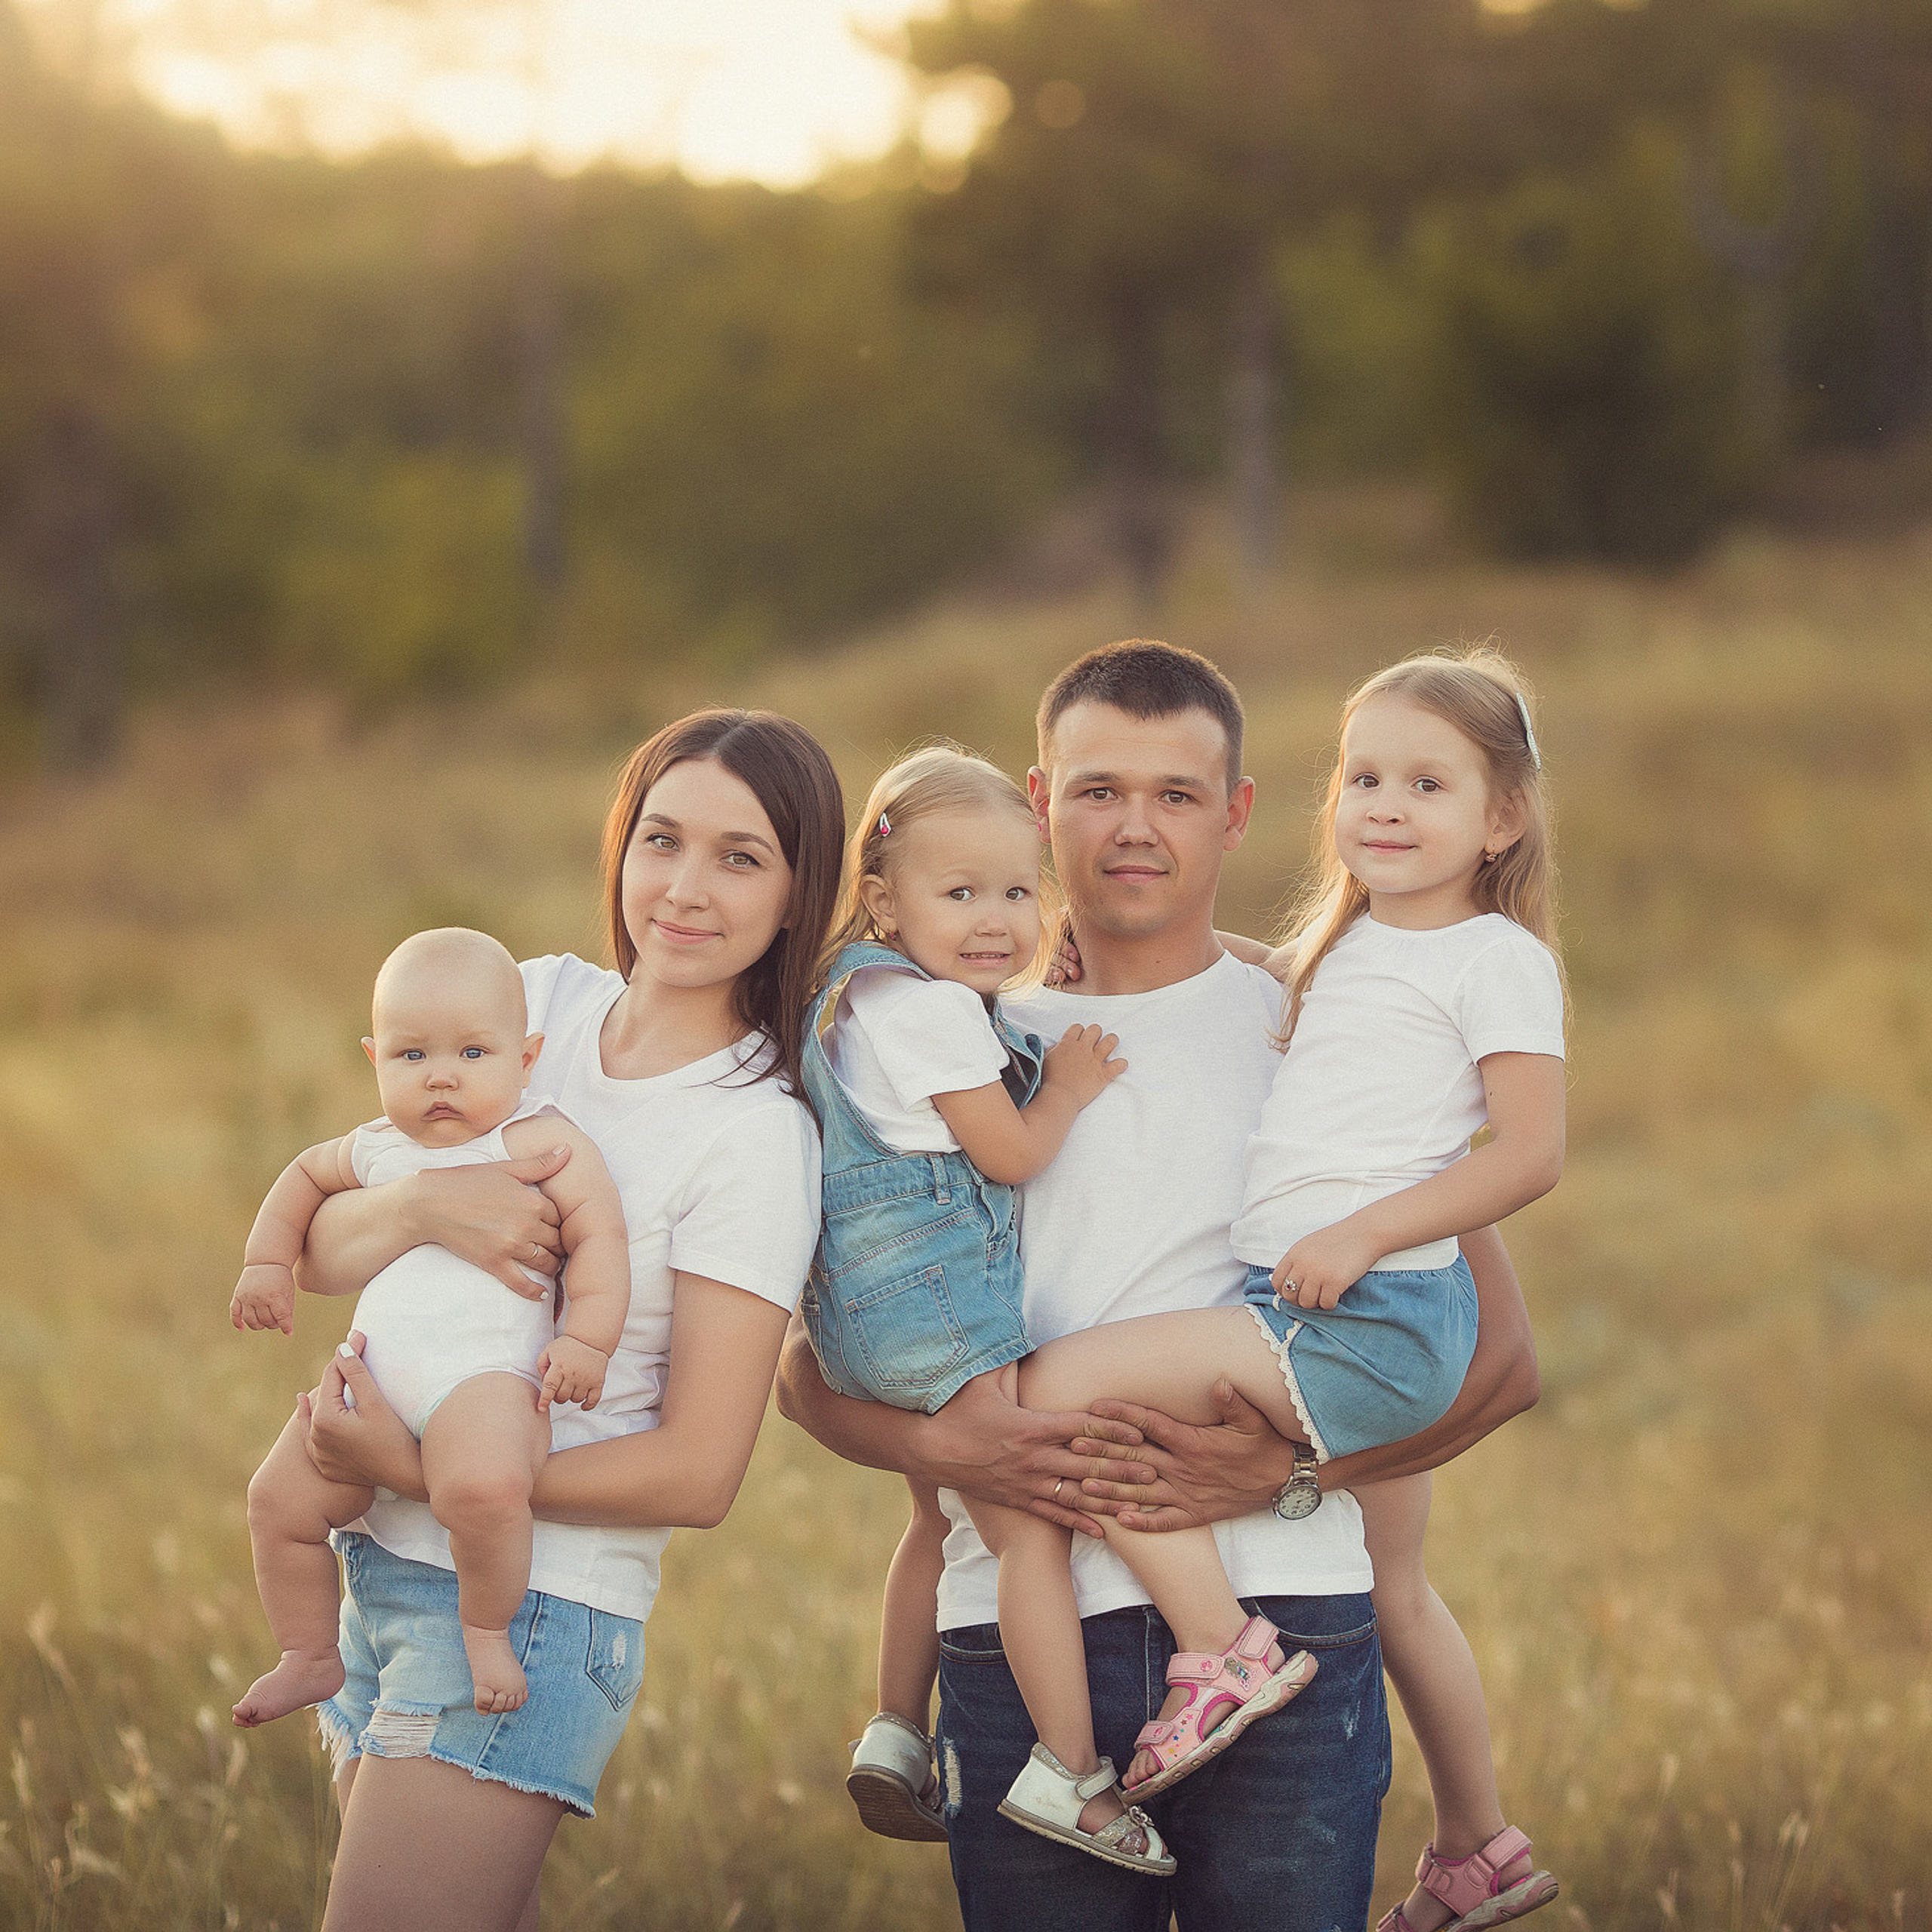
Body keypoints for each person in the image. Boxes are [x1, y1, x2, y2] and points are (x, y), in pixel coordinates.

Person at [777, 639, 1543, 1932]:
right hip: (1016, 1651)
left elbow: (1499, 1361)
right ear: (1039, 799)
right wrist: (957, 1442)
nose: (1135, 828)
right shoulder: (941, 1038)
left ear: (1238, 813)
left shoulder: (1319, 1026)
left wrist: (1288, 1479)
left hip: (1287, 1622)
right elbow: (807, 1375)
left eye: (1177, 796)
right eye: (1097, 791)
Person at [286, 709, 844, 1932]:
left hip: (531, 1609)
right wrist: (433, 1206)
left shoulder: (754, 1134)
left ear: (800, 895)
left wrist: (424, 1470)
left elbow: (699, 1474)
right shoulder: (532, 1004)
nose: (685, 890)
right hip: (375, 1565)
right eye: (662, 840)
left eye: (740, 858)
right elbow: (323, 1241)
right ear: (620, 847)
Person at [800, 746, 1173, 1870]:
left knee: (935, 1520)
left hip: (854, 1321)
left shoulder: (855, 996)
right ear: (884, 899)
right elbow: (1006, 1156)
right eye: (958, 895)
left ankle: (897, 1727)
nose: (995, 920)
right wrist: (1061, 1088)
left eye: (1018, 891)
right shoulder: (937, 1017)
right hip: (937, 1307)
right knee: (1025, 1533)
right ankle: (1074, 1773)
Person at [229, 926, 631, 1726]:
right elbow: (303, 1178)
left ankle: (484, 1630)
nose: (441, 1076)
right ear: (375, 1060)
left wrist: (587, 1338)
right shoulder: (377, 1149)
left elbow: (600, 1239)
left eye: (473, 1054)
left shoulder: (542, 1141)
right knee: (275, 1501)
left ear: (526, 1057)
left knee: (483, 1487)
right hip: (370, 1376)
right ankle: (308, 1653)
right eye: (413, 1057)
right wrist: (266, 1264)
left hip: (482, 1381)